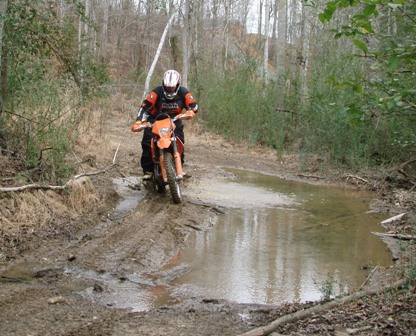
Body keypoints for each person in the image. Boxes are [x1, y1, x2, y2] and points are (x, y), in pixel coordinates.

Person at [131, 69, 198, 180]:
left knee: (179, 140)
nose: (170, 89)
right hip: (155, 121)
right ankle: (148, 171)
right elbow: (144, 108)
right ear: (163, 84)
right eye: (167, 87)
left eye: (172, 87)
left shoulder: (183, 92)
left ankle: (179, 166)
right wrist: (139, 121)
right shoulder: (156, 92)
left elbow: (194, 105)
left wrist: (190, 111)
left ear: (177, 85)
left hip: (174, 121)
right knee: (148, 141)